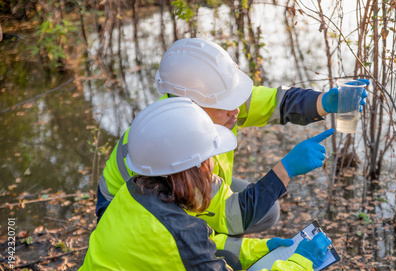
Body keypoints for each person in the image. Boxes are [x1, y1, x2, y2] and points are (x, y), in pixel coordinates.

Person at [69, 98, 333, 271]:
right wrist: (300, 264)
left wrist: (258, 250)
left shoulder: (137, 190)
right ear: (190, 168)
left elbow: (185, 251)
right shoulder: (172, 229)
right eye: (209, 159)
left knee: (228, 259)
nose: (212, 167)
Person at [96, 37, 369, 235]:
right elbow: (235, 215)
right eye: (228, 103)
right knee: (215, 244)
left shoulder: (217, 104)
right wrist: (285, 169)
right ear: (196, 106)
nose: (238, 109)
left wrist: (325, 101)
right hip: (124, 214)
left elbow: (277, 102)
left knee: (266, 209)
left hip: (193, 190)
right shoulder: (173, 151)